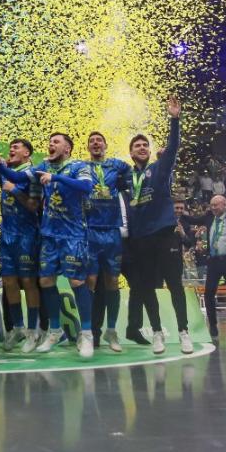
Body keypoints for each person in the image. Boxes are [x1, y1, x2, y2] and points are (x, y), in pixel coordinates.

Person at [0, 132, 95, 357]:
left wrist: (56, 179)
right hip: (49, 234)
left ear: (67, 148)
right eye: (49, 141)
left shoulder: (79, 165)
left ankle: (86, 333)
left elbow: (86, 187)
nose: (51, 144)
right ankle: (55, 330)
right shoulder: (43, 166)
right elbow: (16, 178)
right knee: (46, 280)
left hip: (73, 235)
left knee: (77, 280)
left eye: (56, 142)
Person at [123, 97, 193, 355]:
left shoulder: (159, 169)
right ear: (130, 153)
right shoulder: (127, 178)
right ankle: (157, 332)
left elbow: (173, 147)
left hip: (165, 236)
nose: (141, 147)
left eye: (145, 145)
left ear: (150, 151)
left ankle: (184, 332)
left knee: (175, 284)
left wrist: (175, 119)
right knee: (148, 287)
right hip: (141, 240)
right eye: (136, 146)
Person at [0, 127, 41, 352]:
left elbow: (33, 206)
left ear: (27, 153)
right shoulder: (7, 173)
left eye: (16, 147)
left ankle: (33, 329)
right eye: (10, 148)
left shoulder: (34, 174)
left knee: (28, 282)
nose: (11, 151)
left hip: (27, 235)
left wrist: (14, 191)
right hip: (6, 236)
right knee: (8, 281)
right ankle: (17, 327)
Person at [84, 131, 130, 353]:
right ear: (88, 147)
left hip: (112, 230)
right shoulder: (81, 168)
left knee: (112, 280)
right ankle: (89, 332)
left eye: (99, 141)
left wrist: (126, 185)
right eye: (92, 141)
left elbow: (132, 173)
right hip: (90, 230)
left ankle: (111, 330)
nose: (95, 143)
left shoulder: (117, 165)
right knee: (90, 282)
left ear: (105, 145)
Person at [181, 194, 226, 339]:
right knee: (208, 293)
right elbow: (194, 220)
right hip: (213, 260)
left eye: (216, 205)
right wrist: (179, 212)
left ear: (225, 204)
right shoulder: (209, 216)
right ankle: (212, 326)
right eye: (212, 205)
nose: (213, 208)